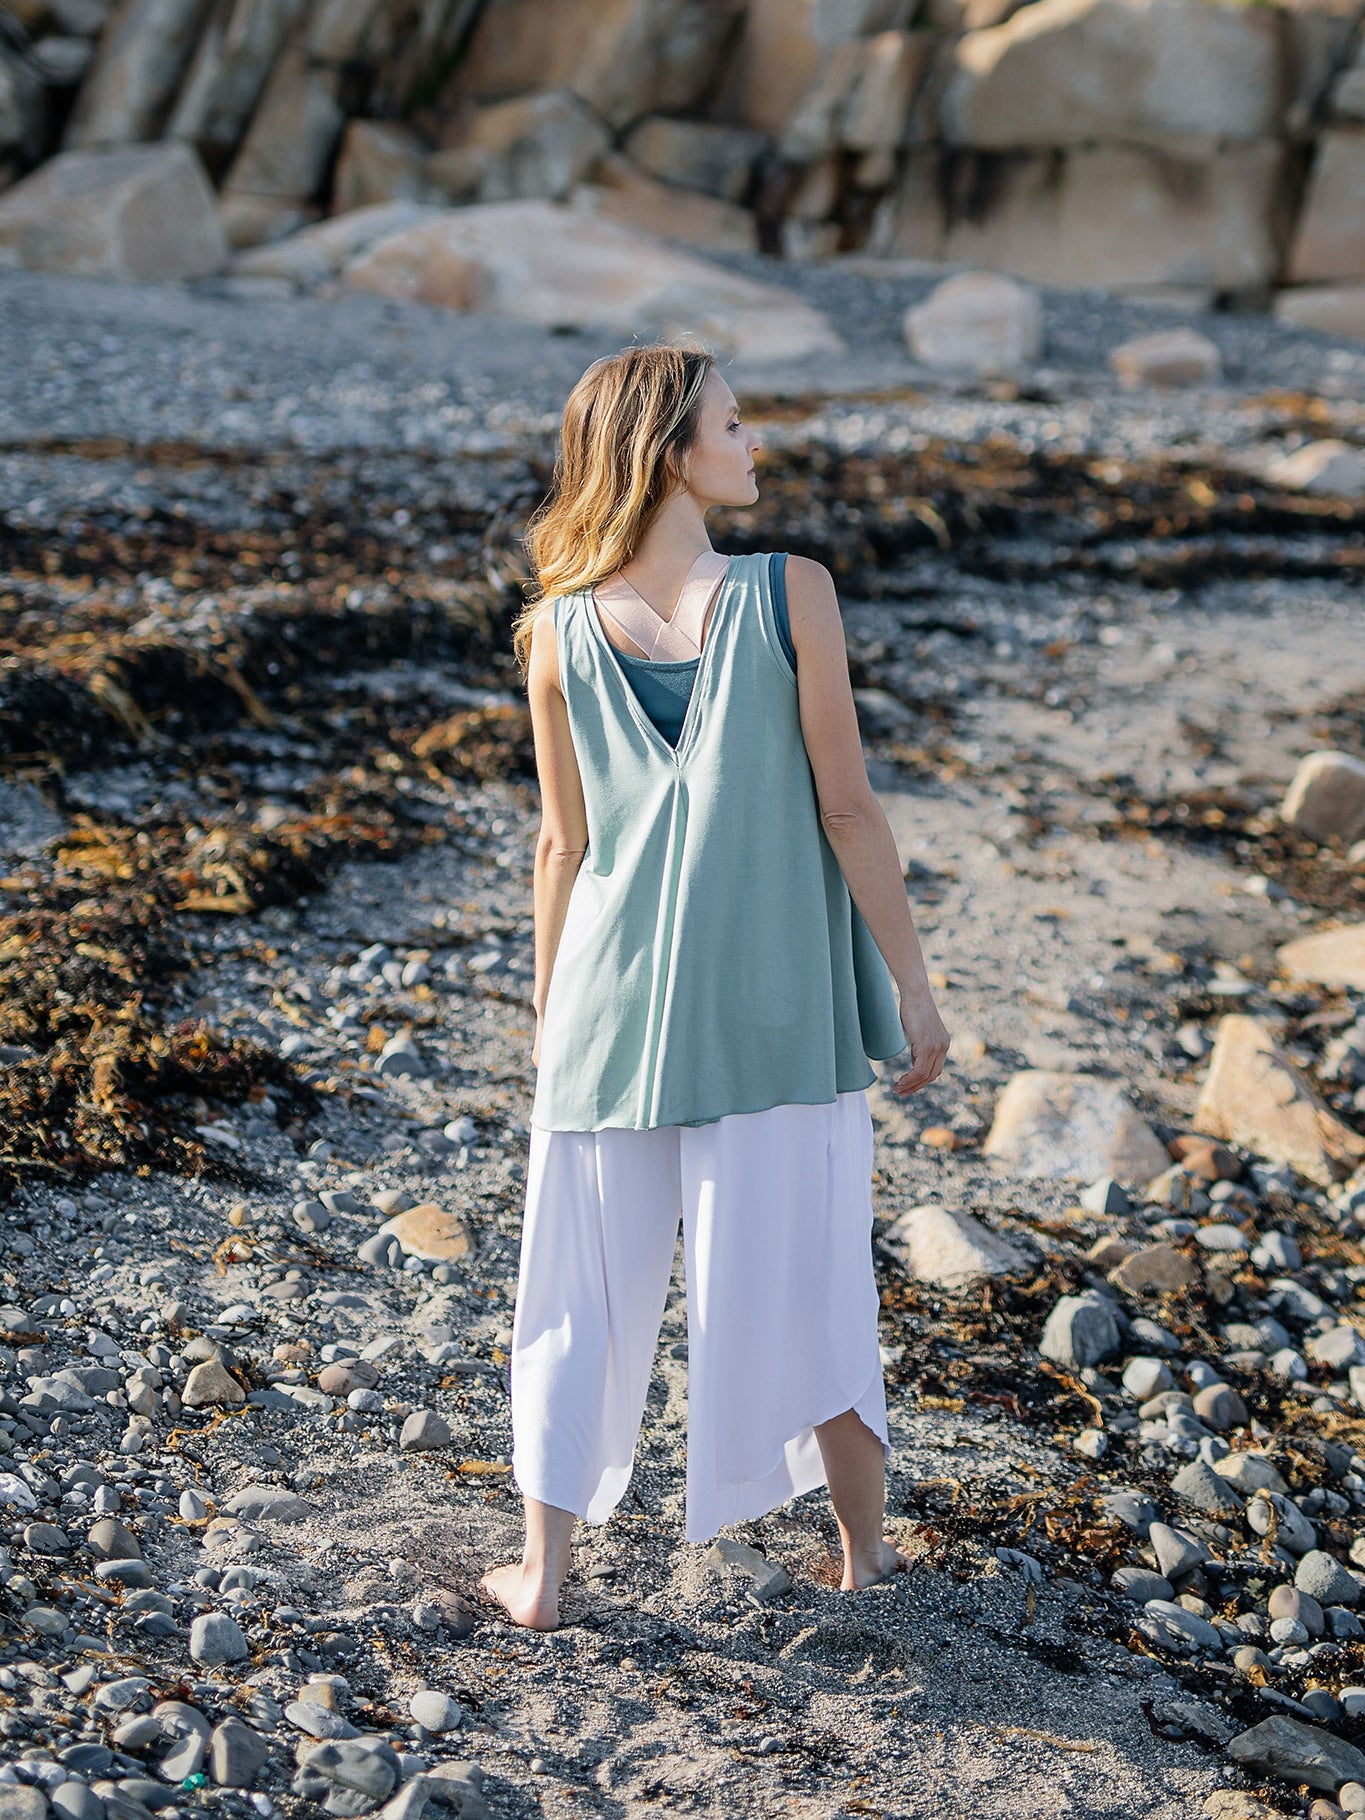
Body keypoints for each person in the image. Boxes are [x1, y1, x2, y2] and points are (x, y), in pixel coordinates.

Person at [479, 342, 951, 1632]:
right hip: (774, 1022)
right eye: (736, 427)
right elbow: (848, 810)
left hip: (604, 1022)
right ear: (672, 455)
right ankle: (862, 1557)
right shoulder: (793, 593)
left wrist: (546, 1016)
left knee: (580, 1292)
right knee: (811, 1281)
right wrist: (912, 989)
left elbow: (561, 847)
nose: (757, 448)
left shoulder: (558, 631)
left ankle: (546, 1576)